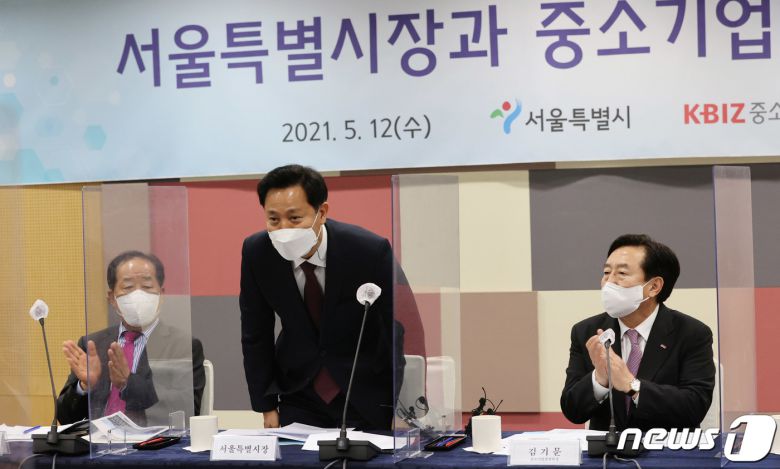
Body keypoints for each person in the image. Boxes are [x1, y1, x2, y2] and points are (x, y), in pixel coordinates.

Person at [240, 164, 406, 430]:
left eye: (295, 218)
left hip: (365, 392)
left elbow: (399, 328)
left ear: (322, 212)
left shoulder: (369, 251)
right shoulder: (257, 252)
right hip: (299, 392)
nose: (284, 230)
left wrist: (403, 407)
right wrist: (266, 405)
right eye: (273, 220)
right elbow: (255, 333)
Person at [560, 234, 715, 431]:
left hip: (664, 449)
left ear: (654, 286)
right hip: (606, 450)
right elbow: (573, 411)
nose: (609, 282)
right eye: (606, 272)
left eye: (622, 273)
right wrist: (599, 379)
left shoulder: (692, 333)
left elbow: (694, 406)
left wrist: (632, 385)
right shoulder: (587, 332)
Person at [57, 251, 205, 425]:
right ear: (112, 298)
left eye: (147, 286)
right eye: (128, 287)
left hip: (152, 440)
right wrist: (84, 387)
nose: (138, 295)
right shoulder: (92, 344)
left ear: (161, 295)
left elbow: (187, 410)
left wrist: (129, 383)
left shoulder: (183, 346)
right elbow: (65, 418)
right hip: (99, 440)